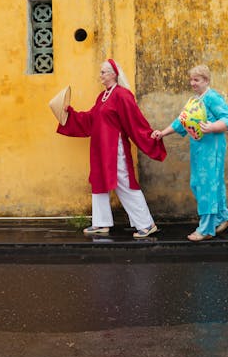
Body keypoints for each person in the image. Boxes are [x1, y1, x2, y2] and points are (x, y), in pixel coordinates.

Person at [56, 58, 166, 238]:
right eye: (101, 72)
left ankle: (147, 224)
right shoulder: (102, 96)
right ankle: (101, 223)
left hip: (116, 148)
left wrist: (149, 135)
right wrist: (71, 114)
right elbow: (91, 119)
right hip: (100, 147)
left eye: (103, 72)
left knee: (124, 183)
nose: (100, 75)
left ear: (114, 74)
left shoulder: (122, 95)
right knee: (98, 181)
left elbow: (135, 119)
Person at [152, 65, 228, 242]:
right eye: (191, 80)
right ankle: (223, 216)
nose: (192, 83)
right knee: (200, 183)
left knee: (206, 185)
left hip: (212, 148)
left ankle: (206, 229)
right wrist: (163, 133)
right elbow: (180, 121)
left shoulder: (212, 97)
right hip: (199, 149)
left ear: (206, 80)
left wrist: (213, 127)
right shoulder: (194, 100)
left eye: (196, 80)